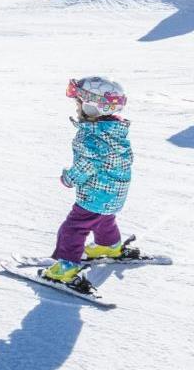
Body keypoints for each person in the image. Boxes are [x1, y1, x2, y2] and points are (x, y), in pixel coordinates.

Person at [41, 76, 141, 294]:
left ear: (90, 107)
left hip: (95, 195)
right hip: (116, 193)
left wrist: (69, 178)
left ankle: (66, 267)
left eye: (78, 103)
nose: (77, 108)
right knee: (104, 219)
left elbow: (85, 166)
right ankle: (109, 246)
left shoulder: (89, 136)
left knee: (74, 228)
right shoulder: (117, 131)